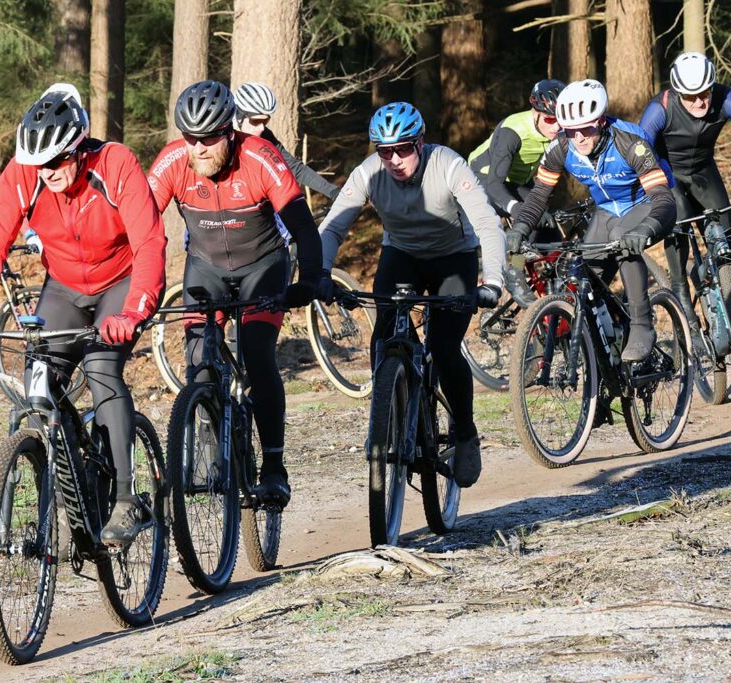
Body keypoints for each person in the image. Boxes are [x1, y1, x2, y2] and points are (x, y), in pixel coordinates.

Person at [0, 83, 167, 544]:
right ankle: (65, 486)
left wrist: (135, 310)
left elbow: (150, 243)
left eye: (57, 160)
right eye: (40, 163)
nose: (48, 171)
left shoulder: (115, 164)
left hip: (120, 282)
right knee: (39, 380)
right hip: (63, 286)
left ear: (78, 148)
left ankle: (124, 498)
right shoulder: (23, 174)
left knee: (101, 368)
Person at [147, 80, 322, 508]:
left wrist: (313, 279)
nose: (199, 149)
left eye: (208, 139)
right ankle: (210, 449)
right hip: (204, 268)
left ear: (230, 131)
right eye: (190, 139)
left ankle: (275, 469)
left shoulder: (261, 157)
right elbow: (136, 226)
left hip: (263, 266)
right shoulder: (173, 160)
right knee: (198, 361)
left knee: (258, 355)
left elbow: (302, 227)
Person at [317, 101, 508, 489]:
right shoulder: (369, 173)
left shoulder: (448, 165)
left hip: (452, 257)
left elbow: (487, 222)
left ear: (419, 143)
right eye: (384, 151)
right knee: (384, 332)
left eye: (402, 149)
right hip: (401, 254)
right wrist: (319, 274)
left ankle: (465, 432)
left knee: (444, 343)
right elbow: (334, 226)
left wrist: (492, 281)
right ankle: (389, 409)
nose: (394, 159)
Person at [509, 79, 677, 363]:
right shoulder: (562, 147)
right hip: (606, 213)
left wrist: (646, 228)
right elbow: (538, 196)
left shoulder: (630, 142)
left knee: (624, 240)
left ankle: (641, 324)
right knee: (583, 279)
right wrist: (520, 229)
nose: (579, 138)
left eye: (586, 128)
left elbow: (663, 199)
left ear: (600, 121)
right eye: (571, 131)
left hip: (645, 206)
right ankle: (605, 364)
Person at [640, 52, 731, 324]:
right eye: (689, 96)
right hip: (667, 175)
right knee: (679, 220)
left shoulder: (725, 98)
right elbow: (638, 151)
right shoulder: (660, 107)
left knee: (726, 239)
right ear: (677, 92)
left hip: (704, 172)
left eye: (704, 93)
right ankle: (681, 290)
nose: (699, 101)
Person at [468, 79, 565, 230]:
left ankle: (534, 252)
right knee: (532, 213)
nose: (556, 127)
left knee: (545, 220)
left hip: (516, 182)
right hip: (483, 179)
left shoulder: (560, 132)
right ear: (535, 112)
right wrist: (515, 208)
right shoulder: (513, 131)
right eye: (550, 119)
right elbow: (494, 185)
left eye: (561, 120)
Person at [233, 82, 340, 202]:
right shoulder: (221, 139)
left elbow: (294, 168)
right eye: (256, 121)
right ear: (239, 116)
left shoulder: (265, 136)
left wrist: (333, 191)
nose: (262, 128)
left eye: (265, 121)